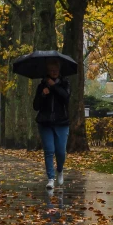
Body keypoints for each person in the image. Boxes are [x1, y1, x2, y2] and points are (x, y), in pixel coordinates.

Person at [32, 58, 70, 190]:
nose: (54, 72)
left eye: (56, 70)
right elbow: (35, 106)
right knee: (49, 150)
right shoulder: (41, 86)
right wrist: (43, 94)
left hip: (62, 122)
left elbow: (66, 98)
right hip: (45, 122)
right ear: (47, 71)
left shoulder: (65, 84)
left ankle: (60, 169)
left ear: (59, 71)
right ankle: (50, 178)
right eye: (51, 70)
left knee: (60, 152)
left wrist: (54, 87)